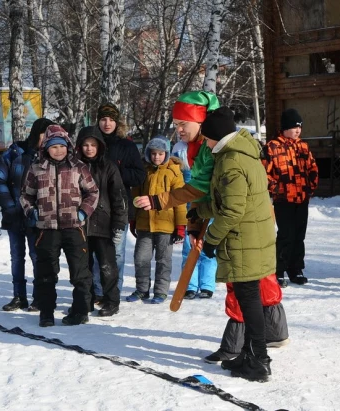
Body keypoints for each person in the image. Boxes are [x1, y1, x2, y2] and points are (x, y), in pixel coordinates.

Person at [189, 106, 277, 382]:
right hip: (251, 236)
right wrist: (200, 212)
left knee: (249, 299)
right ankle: (251, 354)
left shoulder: (230, 161)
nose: (205, 143)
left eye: (207, 138)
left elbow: (233, 211)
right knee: (248, 297)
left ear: (216, 136)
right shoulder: (243, 154)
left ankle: (259, 360)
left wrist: (211, 241)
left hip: (243, 239)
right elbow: (229, 201)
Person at [134, 91, 219, 299]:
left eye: (183, 123)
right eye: (176, 123)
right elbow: (200, 192)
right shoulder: (195, 148)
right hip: (208, 210)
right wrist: (194, 224)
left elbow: (196, 188)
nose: (178, 129)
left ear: (200, 121)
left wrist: (157, 201)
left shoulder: (211, 148)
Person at [20, 125, 99, 326]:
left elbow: (92, 192)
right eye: (54, 147)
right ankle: (46, 313)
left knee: (80, 272)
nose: (58, 151)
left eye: (62, 146)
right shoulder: (36, 168)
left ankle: (80, 311)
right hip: (46, 229)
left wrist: (83, 211)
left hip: (74, 227)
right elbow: (26, 195)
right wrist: (32, 211)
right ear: (46, 148)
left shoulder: (78, 167)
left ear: (68, 146)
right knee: (46, 273)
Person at [0, 117, 54, 311]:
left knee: (38, 257)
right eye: (45, 134)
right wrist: (10, 207)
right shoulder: (16, 153)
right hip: (15, 215)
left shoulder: (52, 157)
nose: (48, 139)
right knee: (17, 257)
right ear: (37, 133)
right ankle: (19, 296)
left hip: (38, 218)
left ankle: (38, 298)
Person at [127, 137, 187, 304]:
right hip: (144, 223)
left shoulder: (174, 172)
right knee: (140, 258)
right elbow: (135, 196)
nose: (156, 157)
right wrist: (133, 218)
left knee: (163, 260)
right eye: (153, 154)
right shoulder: (144, 171)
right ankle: (142, 289)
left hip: (166, 224)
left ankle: (160, 291)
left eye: (160, 154)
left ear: (166, 154)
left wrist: (180, 226)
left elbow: (180, 201)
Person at [263, 108, 319, 287]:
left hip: (302, 198)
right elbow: (264, 173)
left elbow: (313, 168)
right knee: (285, 235)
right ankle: (278, 269)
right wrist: (276, 188)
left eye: (300, 127)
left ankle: (296, 268)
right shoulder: (272, 147)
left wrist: (311, 187)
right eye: (295, 127)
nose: (298, 131)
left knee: (299, 236)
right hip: (283, 199)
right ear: (285, 127)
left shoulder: (303, 146)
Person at [95, 102, 146, 296]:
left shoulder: (127, 145)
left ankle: (113, 292)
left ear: (118, 122)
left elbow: (139, 175)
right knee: (95, 252)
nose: (107, 123)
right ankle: (98, 291)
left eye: (111, 120)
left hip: (119, 206)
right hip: (95, 207)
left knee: (116, 252)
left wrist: (115, 172)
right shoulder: (91, 142)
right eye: (103, 119)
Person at [75, 126, 127, 317]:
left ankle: (112, 300)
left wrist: (119, 224)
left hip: (104, 224)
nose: (89, 148)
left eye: (93, 145)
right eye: (86, 145)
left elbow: (119, 198)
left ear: (100, 147)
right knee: (83, 267)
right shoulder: (74, 167)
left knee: (107, 266)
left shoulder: (109, 167)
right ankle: (86, 301)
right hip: (79, 225)